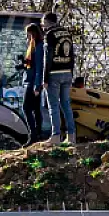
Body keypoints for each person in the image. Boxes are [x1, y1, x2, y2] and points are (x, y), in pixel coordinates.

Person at [41, 12, 77, 145]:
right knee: (66, 105)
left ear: (47, 21)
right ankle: (71, 136)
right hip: (67, 72)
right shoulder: (67, 33)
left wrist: (44, 78)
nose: (42, 25)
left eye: (43, 22)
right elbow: (72, 55)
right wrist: (71, 73)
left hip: (54, 74)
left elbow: (48, 57)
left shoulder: (49, 35)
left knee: (53, 106)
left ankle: (55, 136)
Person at [22, 22, 47, 142]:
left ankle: (33, 135)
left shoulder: (38, 47)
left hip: (33, 83)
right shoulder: (33, 47)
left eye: (28, 35)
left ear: (33, 34)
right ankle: (39, 134)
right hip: (32, 81)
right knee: (36, 108)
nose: (26, 37)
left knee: (26, 108)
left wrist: (37, 86)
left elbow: (39, 68)